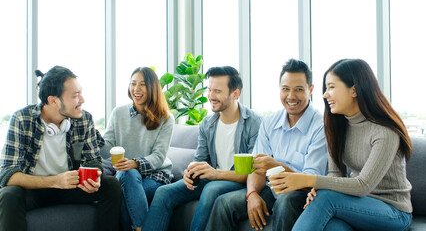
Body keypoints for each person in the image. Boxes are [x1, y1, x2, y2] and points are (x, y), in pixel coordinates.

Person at [271, 59, 412, 230]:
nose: (325, 95)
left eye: (331, 87)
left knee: (326, 199)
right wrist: (319, 191)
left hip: (393, 212)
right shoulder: (337, 127)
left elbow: (363, 185)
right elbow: (335, 175)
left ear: (353, 90)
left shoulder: (384, 131)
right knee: (331, 226)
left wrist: (306, 180)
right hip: (354, 206)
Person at [206, 59, 328, 231]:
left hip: (302, 193)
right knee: (224, 203)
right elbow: (257, 166)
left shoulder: (321, 126)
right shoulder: (270, 122)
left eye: (299, 89)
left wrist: (277, 166)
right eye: (285, 89)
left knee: (286, 202)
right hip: (271, 190)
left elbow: (311, 181)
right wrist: (252, 194)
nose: (291, 96)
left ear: (311, 90)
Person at [0, 66, 121, 231]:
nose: (82, 100)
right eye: (75, 95)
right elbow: (7, 174)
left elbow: (93, 160)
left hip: (71, 187)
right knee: (8, 195)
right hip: (34, 190)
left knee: (111, 185)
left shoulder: (84, 119)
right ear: (53, 100)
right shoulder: (22, 119)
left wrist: (95, 176)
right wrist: (55, 181)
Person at [142, 66, 262, 231]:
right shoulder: (208, 123)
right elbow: (199, 160)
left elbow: (252, 172)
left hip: (238, 181)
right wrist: (190, 173)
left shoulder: (255, 123)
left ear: (235, 93)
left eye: (217, 91)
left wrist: (215, 174)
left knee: (212, 189)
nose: (211, 96)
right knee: (163, 192)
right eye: (210, 90)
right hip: (211, 178)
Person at [100, 67, 174, 231]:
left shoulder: (166, 119)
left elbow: (158, 156)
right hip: (125, 174)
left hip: (155, 176)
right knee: (127, 176)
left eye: (142, 84)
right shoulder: (118, 113)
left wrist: (134, 163)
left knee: (124, 195)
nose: (136, 89)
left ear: (152, 88)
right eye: (133, 83)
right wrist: (95, 140)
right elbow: (108, 149)